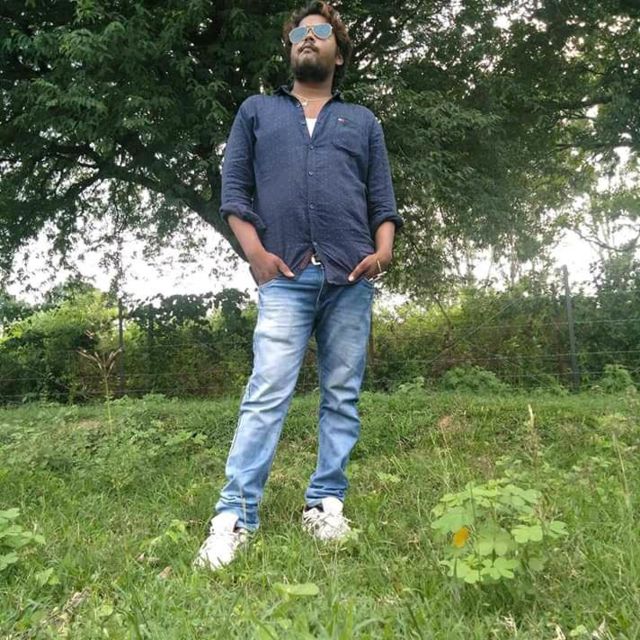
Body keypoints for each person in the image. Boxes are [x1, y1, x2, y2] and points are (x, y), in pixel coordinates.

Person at [194, 0, 403, 571]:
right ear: (290, 49)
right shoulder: (257, 111)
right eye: (299, 33)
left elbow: (382, 199)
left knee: (342, 396)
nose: (307, 38)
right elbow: (234, 192)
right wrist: (256, 254)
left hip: (350, 278)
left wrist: (383, 249)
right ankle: (234, 517)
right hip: (284, 277)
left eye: (320, 31)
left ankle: (325, 505)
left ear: (339, 52)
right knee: (267, 392)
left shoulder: (362, 121)